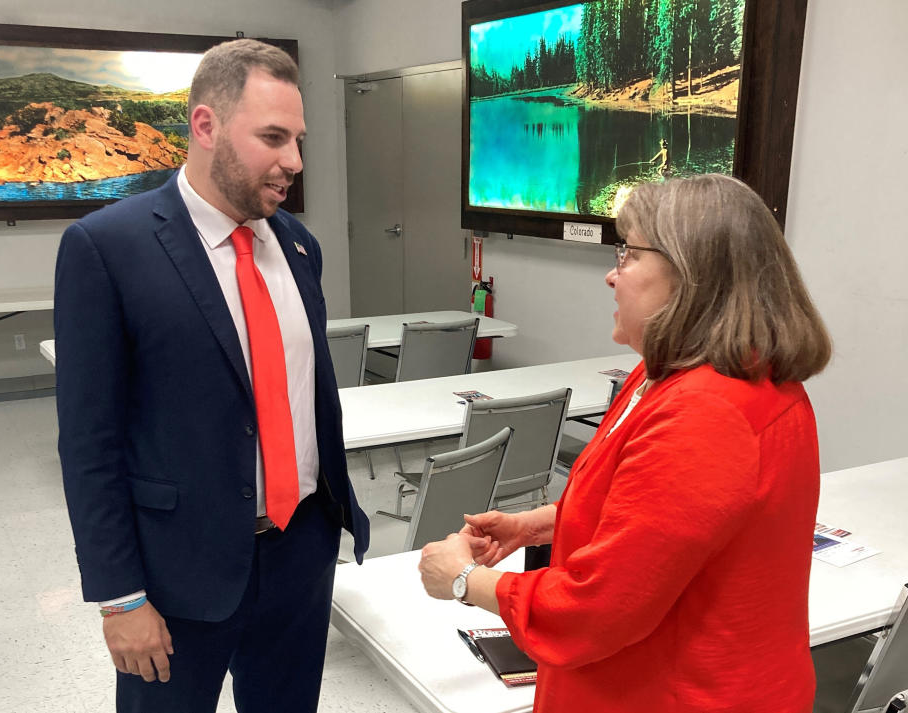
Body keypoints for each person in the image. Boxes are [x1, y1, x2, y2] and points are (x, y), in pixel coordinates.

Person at [419, 174, 831, 712]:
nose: (612, 276)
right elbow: (654, 517)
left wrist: (464, 580)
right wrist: (538, 523)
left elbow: (599, 608)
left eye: (629, 254)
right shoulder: (677, 373)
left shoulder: (707, 413)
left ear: (692, 277)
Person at [54, 39, 369, 713]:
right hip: (175, 576)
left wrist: (327, 528)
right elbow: (90, 444)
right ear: (206, 127)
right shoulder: (106, 249)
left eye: (299, 139)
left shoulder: (297, 245)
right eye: (274, 137)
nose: (295, 162)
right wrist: (120, 597)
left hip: (299, 558)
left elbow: (307, 396)